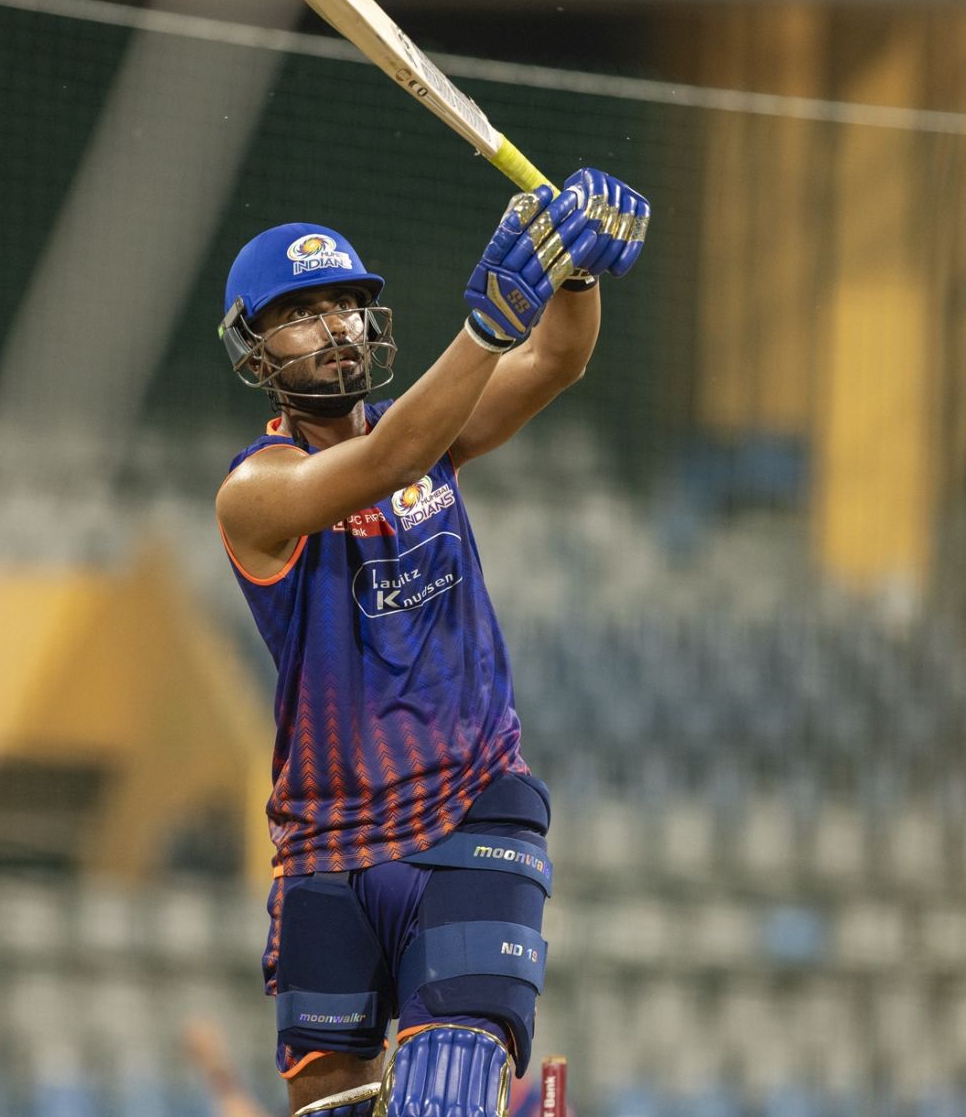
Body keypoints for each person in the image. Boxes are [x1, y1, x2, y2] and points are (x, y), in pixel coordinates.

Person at [215, 169, 649, 1117]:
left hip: (471, 814)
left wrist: (573, 270)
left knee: (444, 1094)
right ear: (254, 350)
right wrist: (486, 330)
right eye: (300, 314)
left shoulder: (429, 437)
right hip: (325, 842)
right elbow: (387, 459)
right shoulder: (255, 492)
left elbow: (557, 358)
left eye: (345, 305)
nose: (334, 328)